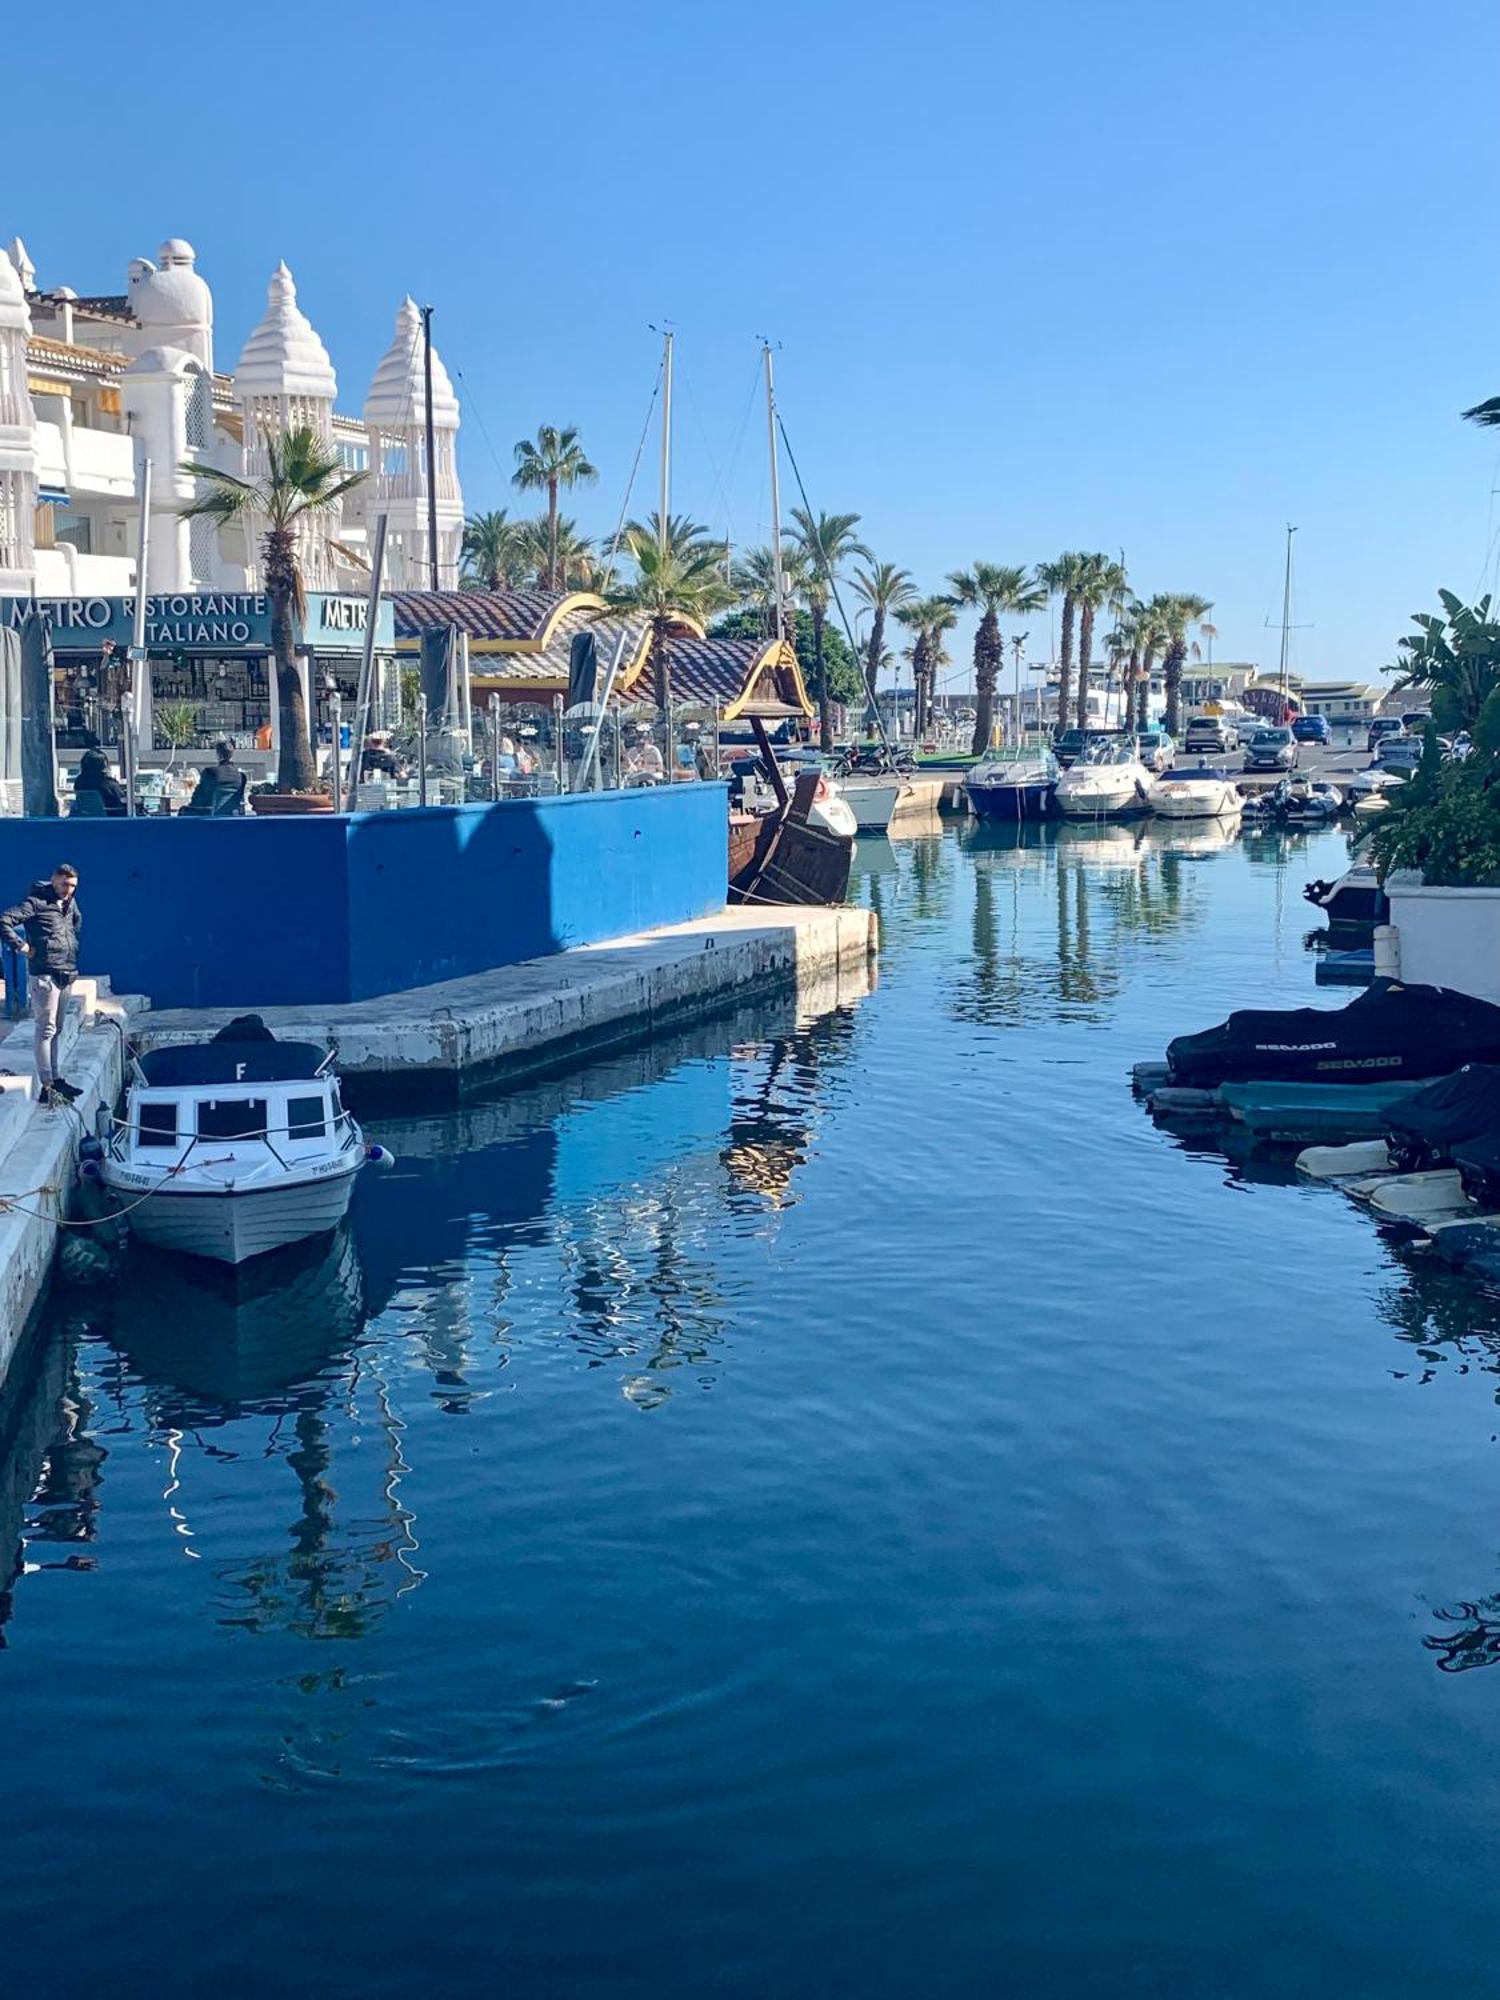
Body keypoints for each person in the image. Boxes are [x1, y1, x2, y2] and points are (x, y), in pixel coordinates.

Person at [1, 864, 83, 1107]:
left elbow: (76, 923)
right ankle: (47, 1084)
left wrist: (71, 946)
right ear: (53, 881)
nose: (68, 890)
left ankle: (56, 1078)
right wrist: (22, 947)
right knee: (45, 1029)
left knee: (57, 1029)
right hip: (45, 976)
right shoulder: (36, 903)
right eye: (64, 885)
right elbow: (4, 920)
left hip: (65, 972)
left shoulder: (69, 904)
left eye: (72, 886)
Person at [71, 748, 127, 818]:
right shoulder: (110, 784)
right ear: (104, 765)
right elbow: (121, 801)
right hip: (110, 820)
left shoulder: (79, 782)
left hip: (86, 819)